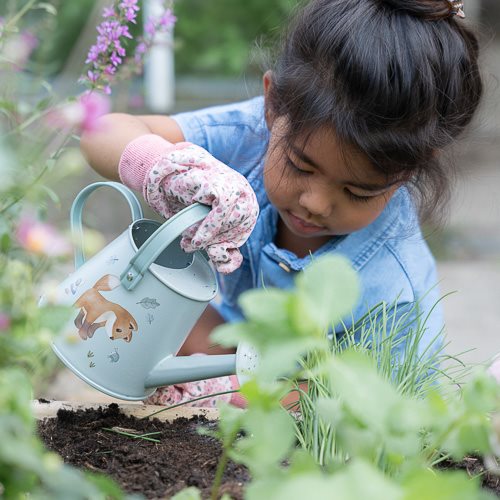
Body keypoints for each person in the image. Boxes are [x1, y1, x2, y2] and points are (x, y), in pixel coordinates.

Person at [80, 0, 483, 407]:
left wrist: (223, 394)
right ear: (273, 106)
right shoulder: (250, 134)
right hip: (240, 348)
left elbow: (356, 409)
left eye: (358, 192)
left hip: (318, 394)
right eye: (299, 166)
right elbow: (101, 132)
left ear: (409, 170)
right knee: (154, 295)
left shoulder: (395, 289)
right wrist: (166, 167)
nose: (315, 203)